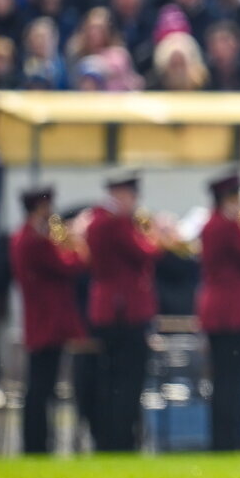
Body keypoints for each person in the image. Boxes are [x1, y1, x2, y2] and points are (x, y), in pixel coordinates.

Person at [85, 171, 161, 451]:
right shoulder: (114, 223)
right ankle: (120, 439)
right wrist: (156, 233)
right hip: (123, 311)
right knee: (126, 381)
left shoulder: (99, 221)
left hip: (110, 309)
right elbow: (145, 252)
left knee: (114, 380)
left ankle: (113, 437)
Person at [10, 186, 88, 453]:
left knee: (41, 386)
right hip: (48, 322)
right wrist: (77, 244)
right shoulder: (35, 241)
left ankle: (38, 443)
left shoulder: (24, 237)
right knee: (42, 387)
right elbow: (71, 266)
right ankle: (37, 444)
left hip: (40, 320)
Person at [197, 172, 240, 451]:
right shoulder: (227, 226)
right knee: (233, 379)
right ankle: (230, 439)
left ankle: (224, 438)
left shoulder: (212, 225)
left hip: (218, 309)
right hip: (232, 310)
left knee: (224, 378)